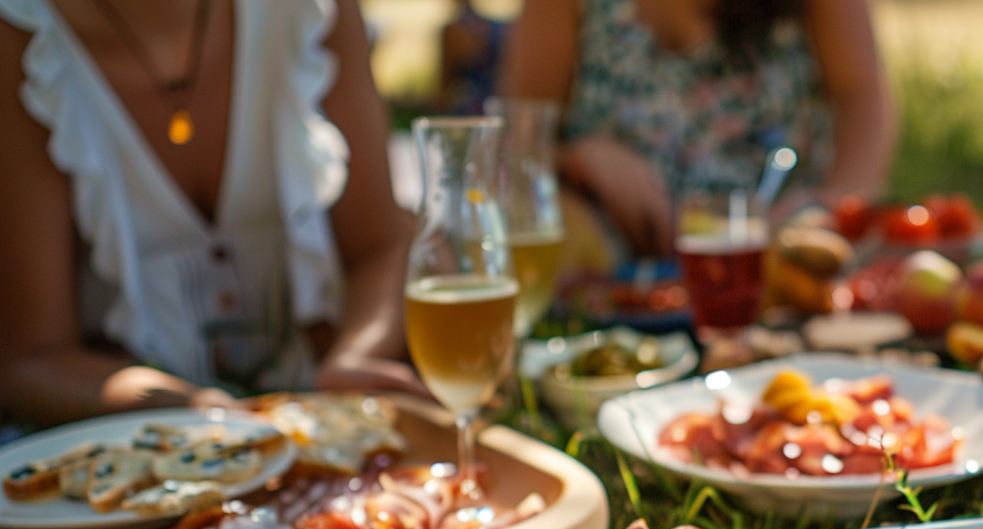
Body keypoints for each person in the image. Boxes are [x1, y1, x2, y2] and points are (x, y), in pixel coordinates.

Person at [0, 0, 429, 427]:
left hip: (324, 429)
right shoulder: (24, 38)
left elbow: (382, 244)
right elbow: (32, 361)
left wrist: (355, 358)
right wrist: (188, 414)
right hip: (134, 453)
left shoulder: (311, 12)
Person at [499, 0, 895, 261]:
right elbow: (514, 140)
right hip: (619, 271)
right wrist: (582, 158)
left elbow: (863, 98)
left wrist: (832, 203)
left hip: (781, 254)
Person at [435, 0, 507, 116]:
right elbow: (444, 86)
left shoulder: (498, 29)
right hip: (466, 107)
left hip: (490, 106)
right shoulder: (452, 31)